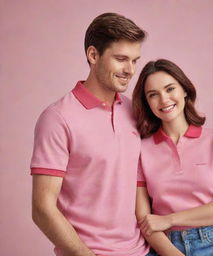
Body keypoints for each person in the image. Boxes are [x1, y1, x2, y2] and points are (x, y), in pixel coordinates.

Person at [30, 13, 150, 256]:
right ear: (93, 55)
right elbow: (42, 208)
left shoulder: (134, 110)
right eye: (121, 59)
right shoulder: (58, 118)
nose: (130, 70)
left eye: (135, 61)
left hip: (143, 251)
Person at [132, 59, 213, 256]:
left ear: (184, 90)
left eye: (169, 89)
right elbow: (144, 219)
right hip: (164, 245)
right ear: (147, 102)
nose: (164, 99)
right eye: (153, 95)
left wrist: (170, 219)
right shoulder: (142, 148)